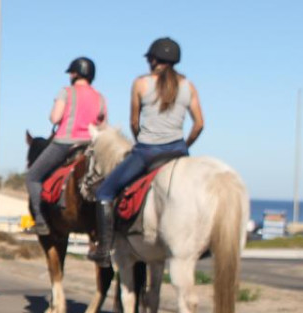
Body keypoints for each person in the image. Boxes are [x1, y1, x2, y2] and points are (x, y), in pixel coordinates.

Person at [90, 37, 204, 265]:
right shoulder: (188, 86)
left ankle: (103, 249)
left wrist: (141, 141)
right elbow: (199, 124)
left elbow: (134, 121)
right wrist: (184, 146)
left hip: (147, 153)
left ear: (153, 59)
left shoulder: (141, 84)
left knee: (104, 192)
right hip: (178, 153)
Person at [25, 57, 107, 235]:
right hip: (91, 146)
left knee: (32, 176)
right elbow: (103, 126)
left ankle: (40, 221)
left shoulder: (66, 92)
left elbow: (54, 118)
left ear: (75, 74)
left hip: (65, 143)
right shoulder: (100, 97)